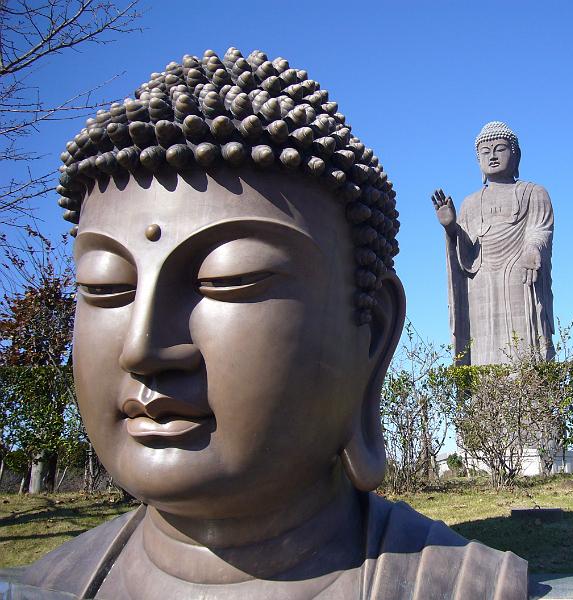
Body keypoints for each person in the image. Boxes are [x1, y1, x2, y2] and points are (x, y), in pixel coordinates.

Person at [20, 49, 528, 599]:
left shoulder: (457, 588)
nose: (142, 348)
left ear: (372, 336)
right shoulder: (47, 586)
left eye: (230, 277)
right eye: (105, 286)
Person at [432, 121, 554, 365]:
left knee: (523, 339)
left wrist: (532, 248)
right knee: (483, 342)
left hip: (519, 275)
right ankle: (484, 385)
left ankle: (530, 381)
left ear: (516, 155)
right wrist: (451, 228)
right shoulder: (470, 203)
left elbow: (540, 228)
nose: (493, 156)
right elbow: (466, 253)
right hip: (482, 279)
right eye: (485, 152)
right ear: (478, 160)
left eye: (500, 149)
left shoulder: (534, 193)